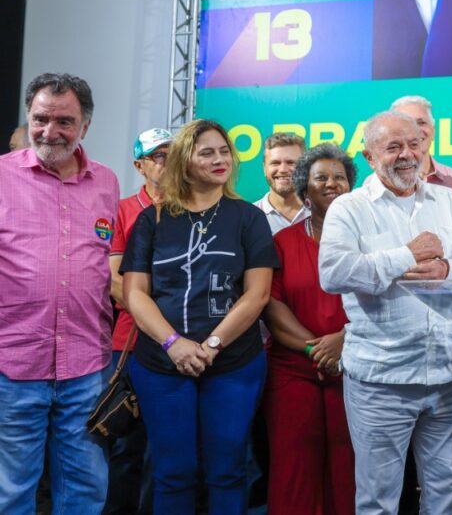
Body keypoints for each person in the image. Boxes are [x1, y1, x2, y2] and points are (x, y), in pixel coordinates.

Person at [319, 110, 452, 515]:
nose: (407, 155)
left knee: (448, 498)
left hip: (448, 376)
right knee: (379, 502)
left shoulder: (449, 201)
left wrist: (449, 269)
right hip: (381, 382)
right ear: (368, 155)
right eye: (393, 147)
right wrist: (404, 257)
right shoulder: (349, 208)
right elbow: (333, 272)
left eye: (414, 144)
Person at [121, 119, 278, 515]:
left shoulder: (248, 217)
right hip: (160, 364)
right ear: (183, 160)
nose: (220, 159)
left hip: (233, 364)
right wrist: (174, 344)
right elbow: (135, 294)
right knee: (173, 472)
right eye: (206, 152)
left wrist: (210, 345)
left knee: (227, 471)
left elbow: (257, 294)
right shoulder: (152, 220)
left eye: (224, 151)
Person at [0, 73, 119, 514]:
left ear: (85, 125)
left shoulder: (106, 183)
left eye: (64, 121)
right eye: (40, 119)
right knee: (12, 492)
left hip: (86, 363)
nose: (50, 132)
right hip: (14, 363)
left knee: (86, 488)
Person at [263, 143, 356, 515]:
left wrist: (343, 344)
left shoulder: (371, 239)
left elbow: (387, 301)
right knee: (293, 471)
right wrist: (317, 350)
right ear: (304, 190)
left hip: (356, 370)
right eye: (321, 177)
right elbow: (271, 305)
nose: (332, 184)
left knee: (348, 470)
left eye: (340, 177)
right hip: (292, 371)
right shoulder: (282, 243)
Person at [105, 127, 173, 514]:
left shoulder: (190, 207)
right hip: (131, 341)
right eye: (159, 156)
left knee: (165, 447)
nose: (167, 162)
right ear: (140, 165)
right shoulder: (124, 209)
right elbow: (113, 280)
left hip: (181, 341)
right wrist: (157, 316)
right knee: (125, 443)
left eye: (172, 154)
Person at [390, 95, 452, 193]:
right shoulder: (378, 182)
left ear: (433, 130)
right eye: (406, 124)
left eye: (421, 123)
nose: (415, 130)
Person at [255, 132, 309, 234]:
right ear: (264, 169)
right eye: (275, 163)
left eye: (291, 162)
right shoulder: (248, 217)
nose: (283, 169)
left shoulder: (321, 214)